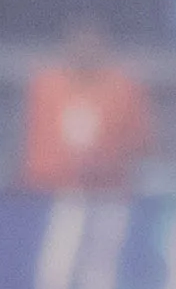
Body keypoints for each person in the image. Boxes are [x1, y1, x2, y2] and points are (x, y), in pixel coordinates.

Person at [20, 16, 150, 194]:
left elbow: (140, 145)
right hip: (45, 190)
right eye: (79, 43)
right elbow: (28, 144)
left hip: (106, 193)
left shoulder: (124, 90)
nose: (85, 50)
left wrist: (104, 163)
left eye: (92, 43)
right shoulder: (44, 87)